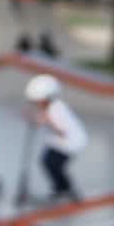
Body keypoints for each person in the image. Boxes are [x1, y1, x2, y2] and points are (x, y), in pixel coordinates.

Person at [24, 74, 87, 203]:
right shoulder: (49, 107)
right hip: (57, 143)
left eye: (37, 101)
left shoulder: (57, 109)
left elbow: (62, 132)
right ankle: (60, 189)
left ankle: (68, 190)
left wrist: (48, 122)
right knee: (47, 162)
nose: (36, 103)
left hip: (70, 143)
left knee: (54, 165)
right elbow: (40, 121)